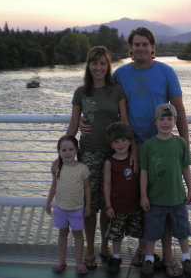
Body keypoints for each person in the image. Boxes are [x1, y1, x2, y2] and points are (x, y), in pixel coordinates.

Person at [81, 27, 190, 271]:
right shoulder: (120, 74)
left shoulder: (166, 72)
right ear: (130, 49)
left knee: (161, 200)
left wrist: (184, 145)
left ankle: (160, 253)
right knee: (125, 198)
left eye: (145, 44)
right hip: (126, 149)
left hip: (161, 146)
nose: (140, 48)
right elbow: (100, 98)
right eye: (136, 45)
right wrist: (82, 118)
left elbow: (179, 109)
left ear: (153, 48)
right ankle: (117, 248)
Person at [60, 45, 130, 270]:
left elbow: (124, 123)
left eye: (102, 63)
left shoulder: (116, 90)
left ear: (108, 65)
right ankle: (89, 249)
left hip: (113, 155)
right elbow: (73, 124)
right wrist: (61, 156)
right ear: (88, 65)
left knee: (108, 203)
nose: (98, 67)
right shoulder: (81, 92)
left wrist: (132, 151)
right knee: (90, 206)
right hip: (88, 154)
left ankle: (104, 246)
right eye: (94, 63)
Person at [139, 103, 191, 278]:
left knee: (182, 229)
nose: (165, 122)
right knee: (152, 231)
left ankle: (186, 258)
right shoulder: (148, 146)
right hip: (155, 199)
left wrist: (190, 190)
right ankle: (148, 258)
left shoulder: (180, 143)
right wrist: (143, 195)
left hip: (177, 199)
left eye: (169, 118)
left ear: (175, 121)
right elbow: (144, 172)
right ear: (155, 122)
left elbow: (185, 168)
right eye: (161, 119)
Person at [103, 122, 145, 274]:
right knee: (116, 234)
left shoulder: (135, 159)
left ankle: (143, 253)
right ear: (111, 144)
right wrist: (108, 205)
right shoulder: (109, 162)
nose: (120, 144)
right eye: (116, 141)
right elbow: (107, 185)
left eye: (123, 140)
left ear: (129, 141)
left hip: (135, 205)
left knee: (141, 231)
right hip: (117, 207)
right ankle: (116, 257)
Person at [45, 135, 91, 275]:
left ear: (76, 150)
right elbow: (54, 186)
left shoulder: (82, 168)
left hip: (77, 209)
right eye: (64, 150)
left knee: (78, 235)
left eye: (71, 149)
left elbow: (87, 188)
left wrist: (88, 206)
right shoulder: (58, 167)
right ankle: (61, 261)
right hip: (61, 209)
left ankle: (79, 262)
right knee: (62, 234)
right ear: (59, 152)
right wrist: (48, 203)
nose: (68, 153)